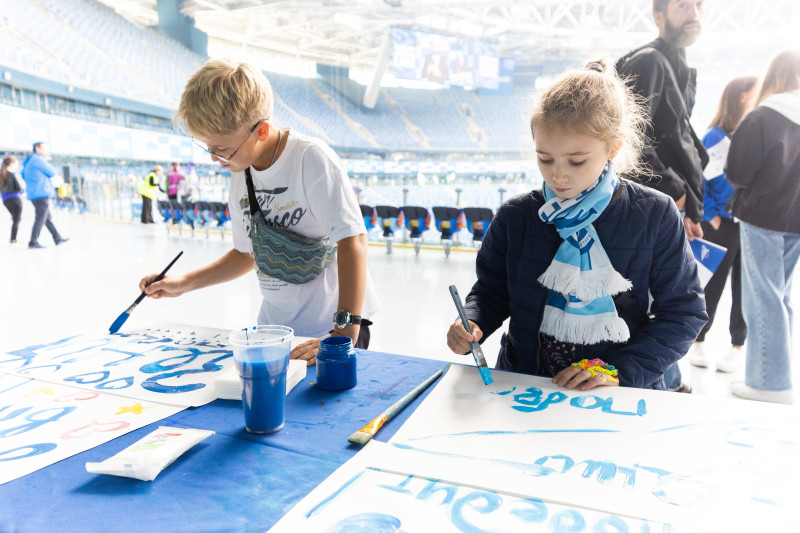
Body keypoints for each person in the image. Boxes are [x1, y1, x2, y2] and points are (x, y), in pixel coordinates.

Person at [446, 59, 707, 392]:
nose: (558, 175)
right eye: (545, 158)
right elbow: (491, 291)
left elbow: (684, 314)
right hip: (525, 386)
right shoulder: (516, 215)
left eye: (577, 160)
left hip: (615, 394)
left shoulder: (655, 214)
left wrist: (619, 372)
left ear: (613, 147)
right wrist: (472, 320)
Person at [139, 59, 379, 365]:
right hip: (277, 332)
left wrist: (342, 333)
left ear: (261, 131)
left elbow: (352, 241)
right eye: (208, 148)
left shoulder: (310, 159)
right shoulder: (241, 173)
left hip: (331, 329)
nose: (215, 158)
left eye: (222, 149)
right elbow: (245, 255)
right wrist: (183, 283)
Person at [616, 0, 708, 393]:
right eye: (683, 5)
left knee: (666, 296)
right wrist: (676, 196)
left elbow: (677, 139)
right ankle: (665, 384)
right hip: (655, 206)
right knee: (656, 300)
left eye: (699, 5)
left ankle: (668, 380)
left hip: (672, 205)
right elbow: (627, 140)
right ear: (659, 17)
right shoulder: (649, 61)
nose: (694, 12)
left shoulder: (675, 66)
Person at [725, 49, 800, 405]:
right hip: (796, 222)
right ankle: (777, 375)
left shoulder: (764, 116)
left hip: (762, 217)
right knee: (780, 298)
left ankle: (770, 383)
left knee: (762, 299)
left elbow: (737, 172)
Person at [689, 76, 758, 373]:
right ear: (742, 97)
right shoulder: (715, 138)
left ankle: (737, 346)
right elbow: (699, 181)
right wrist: (712, 215)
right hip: (722, 224)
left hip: (751, 224)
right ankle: (697, 340)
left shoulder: (754, 134)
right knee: (711, 285)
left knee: (746, 287)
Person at [21, 142, 68, 249]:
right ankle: (33, 242)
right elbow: (51, 172)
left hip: (34, 193)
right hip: (41, 193)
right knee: (41, 218)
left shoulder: (28, 161)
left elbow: (23, 174)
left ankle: (57, 238)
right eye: (45, 148)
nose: (47, 151)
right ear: (37, 149)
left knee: (46, 218)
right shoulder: (38, 160)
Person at [1, 155, 24, 243]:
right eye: (16, 163)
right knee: (16, 220)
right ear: (11, 164)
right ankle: (13, 239)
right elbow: (18, 188)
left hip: (5, 201)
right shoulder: (12, 175)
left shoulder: (2, 175)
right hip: (15, 200)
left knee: (15, 219)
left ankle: (13, 238)